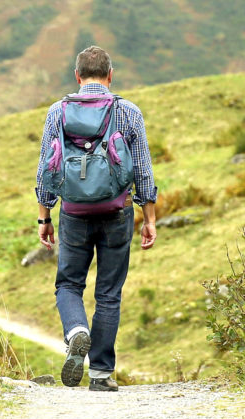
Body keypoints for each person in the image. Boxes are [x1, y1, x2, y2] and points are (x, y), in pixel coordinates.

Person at [35, 46, 157, 391]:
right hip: (117, 211)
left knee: (69, 284)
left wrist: (44, 216)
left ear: (77, 76)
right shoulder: (128, 111)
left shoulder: (57, 112)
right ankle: (101, 374)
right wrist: (149, 218)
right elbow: (144, 171)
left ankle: (76, 330)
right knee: (108, 293)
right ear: (110, 75)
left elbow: (47, 167)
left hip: (73, 212)